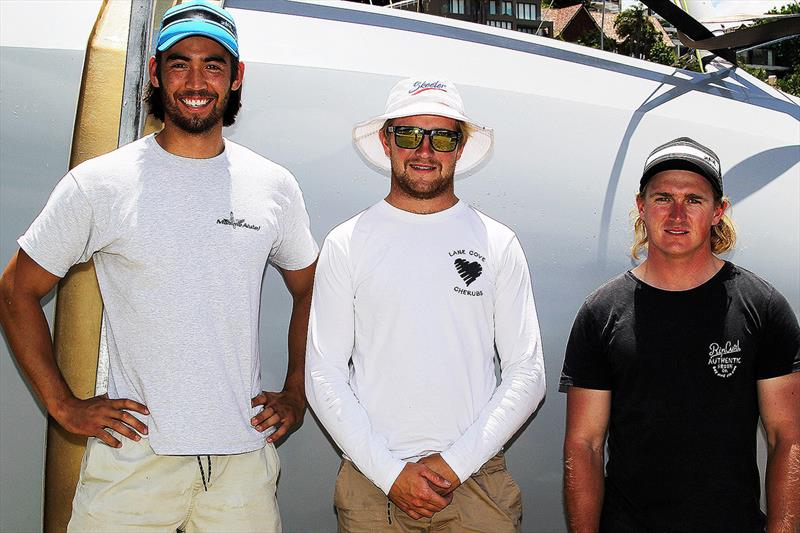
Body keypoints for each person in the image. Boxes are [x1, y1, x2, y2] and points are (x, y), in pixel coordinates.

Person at [0, 2, 318, 531]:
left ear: (236, 77)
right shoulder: (100, 183)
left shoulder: (273, 186)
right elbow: (16, 290)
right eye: (179, 63)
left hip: (241, 464)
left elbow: (311, 288)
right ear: (155, 73)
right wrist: (63, 406)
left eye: (213, 64)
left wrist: (296, 391)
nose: (196, 80)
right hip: (132, 461)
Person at [305, 77, 546, 532]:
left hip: (476, 481)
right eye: (410, 134)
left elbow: (528, 373)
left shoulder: (497, 242)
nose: (424, 151)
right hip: (373, 483)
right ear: (386, 140)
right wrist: (392, 474)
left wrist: (455, 464)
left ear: (460, 146)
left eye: (442, 137)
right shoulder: (346, 242)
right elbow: (324, 373)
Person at [560, 137, 800, 533]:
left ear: (719, 211)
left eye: (693, 200)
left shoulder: (763, 306)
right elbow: (583, 445)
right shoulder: (601, 312)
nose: (676, 214)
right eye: (662, 198)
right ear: (641, 206)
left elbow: (786, 439)